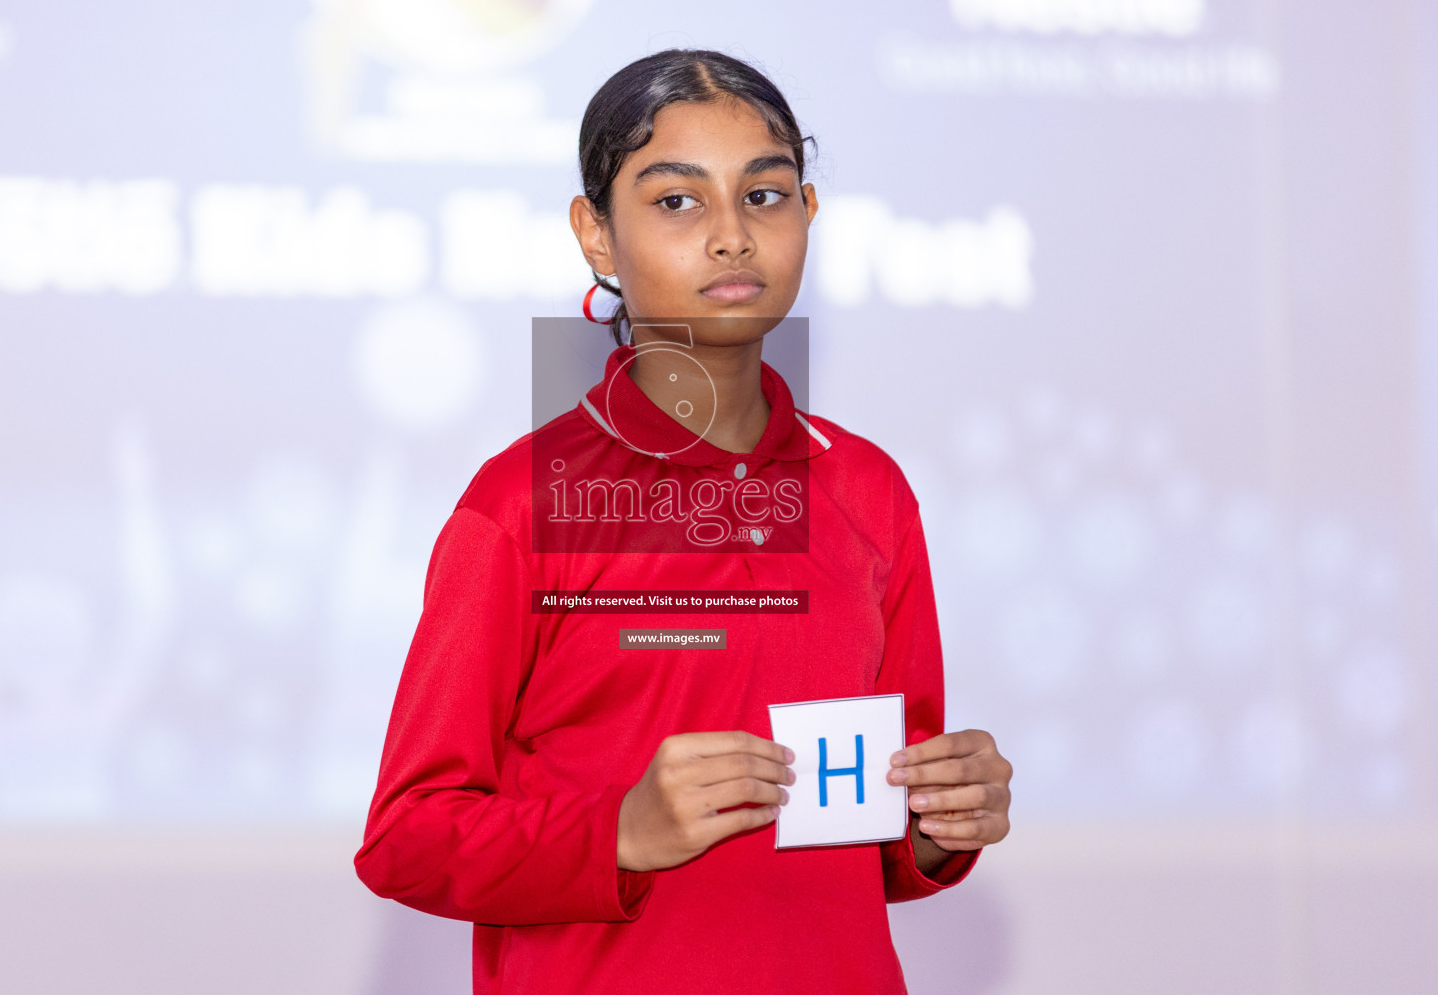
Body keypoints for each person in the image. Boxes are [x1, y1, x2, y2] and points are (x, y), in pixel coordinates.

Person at [354, 49, 1014, 995]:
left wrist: (941, 823)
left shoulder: (869, 493)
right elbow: (406, 838)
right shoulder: (520, 505)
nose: (732, 237)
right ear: (595, 235)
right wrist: (618, 832)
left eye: (766, 194)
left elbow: (871, 831)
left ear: (809, 215)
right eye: (676, 201)